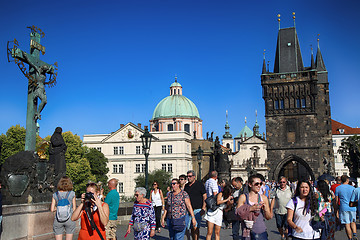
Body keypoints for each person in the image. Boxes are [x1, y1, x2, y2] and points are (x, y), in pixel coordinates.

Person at [237, 174, 272, 240]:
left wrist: (265, 209)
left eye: (260, 184)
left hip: (260, 231)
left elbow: (268, 217)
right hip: (247, 232)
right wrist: (251, 208)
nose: (259, 185)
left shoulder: (263, 198)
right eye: (256, 184)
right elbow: (237, 214)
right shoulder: (243, 197)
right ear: (250, 184)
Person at [184, 170, 207, 240]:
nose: (188, 178)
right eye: (187, 176)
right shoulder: (186, 186)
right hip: (188, 210)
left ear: (194, 177)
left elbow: (204, 196)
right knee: (190, 227)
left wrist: (203, 208)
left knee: (195, 227)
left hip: (197, 209)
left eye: (190, 176)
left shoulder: (199, 184)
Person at [335, 175, 357, 240]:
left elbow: (336, 201)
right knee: (353, 222)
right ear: (347, 180)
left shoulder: (338, 188)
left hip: (344, 208)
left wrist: (336, 211)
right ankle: (355, 234)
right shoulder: (352, 188)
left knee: (347, 224)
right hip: (352, 207)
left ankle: (350, 238)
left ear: (341, 180)